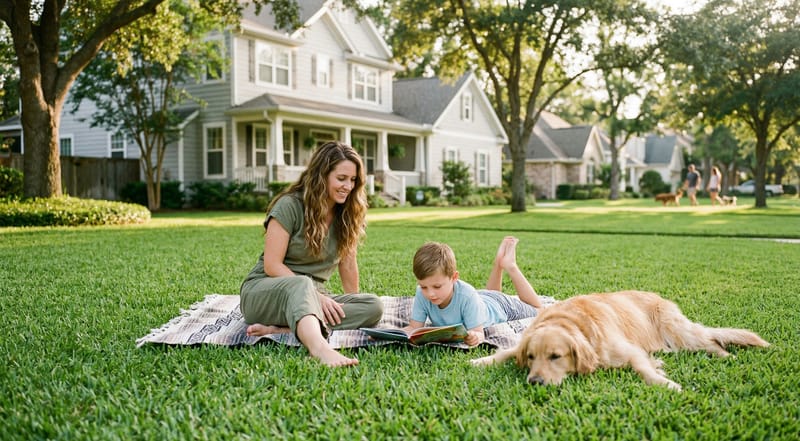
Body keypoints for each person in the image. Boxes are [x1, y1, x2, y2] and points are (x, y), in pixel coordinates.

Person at [239, 141, 383, 367]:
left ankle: (282, 329)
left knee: (373, 306)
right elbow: (272, 265)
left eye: (353, 180)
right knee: (302, 284)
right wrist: (316, 295)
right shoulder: (289, 206)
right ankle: (319, 349)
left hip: (312, 299)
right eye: (341, 178)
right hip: (266, 291)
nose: (348, 186)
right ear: (321, 175)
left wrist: (351, 302)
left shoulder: (347, 214)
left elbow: (348, 266)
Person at [404, 237, 543, 346]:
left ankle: (509, 265)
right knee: (490, 294)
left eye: (437, 287)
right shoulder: (422, 294)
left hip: (500, 306)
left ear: (454, 278)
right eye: (423, 287)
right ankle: (498, 263)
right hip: (481, 298)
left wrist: (475, 337)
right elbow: (413, 328)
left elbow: (479, 333)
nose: (430, 294)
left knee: (539, 311)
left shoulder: (467, 295)